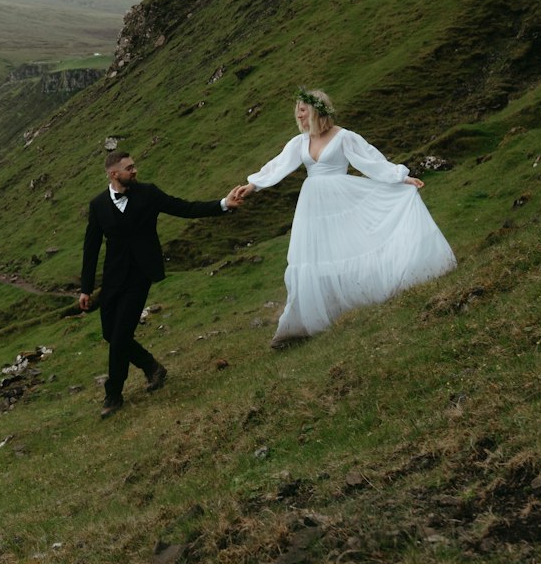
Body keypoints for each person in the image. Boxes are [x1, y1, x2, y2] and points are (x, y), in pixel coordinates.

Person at [232, 89, 456, 348]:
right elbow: (277, 165)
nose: (298, 114)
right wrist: (252, 186)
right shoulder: (300, 142)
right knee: (315, 256)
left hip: (342, 198)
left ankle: (354, 298)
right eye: (297, 110)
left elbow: (370, 160)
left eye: (303, 109)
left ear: (317, 110)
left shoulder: (343, 137)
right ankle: (305, 320)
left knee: (347, 247)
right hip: (313, 205)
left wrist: (400, 178)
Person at [80, 149, 247, 418]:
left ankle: (113, 394)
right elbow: (91, 247)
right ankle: (152, 367)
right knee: (110, 334)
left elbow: (185, 208)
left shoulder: (148, 193)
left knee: (121, 333)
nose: (135, 170)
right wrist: (86, 288)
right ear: (114, 174)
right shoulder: (98, 205)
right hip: (112, 279)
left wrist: (223, 204)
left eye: (134, 166)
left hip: (141, 275)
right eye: (129, 168)